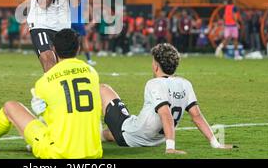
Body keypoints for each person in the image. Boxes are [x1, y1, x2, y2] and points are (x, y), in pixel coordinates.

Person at [0, 29, 103, 159]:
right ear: (78, 49)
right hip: (93, 151)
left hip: (58, 152)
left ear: (54, 49)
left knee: (10, 107)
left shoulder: (45, 81)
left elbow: (46, 117)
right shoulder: (93, 73)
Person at [100, 43, 235, 154]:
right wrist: (215, 143)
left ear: (156, 66)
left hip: (131, 135)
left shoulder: (153, 83)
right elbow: (197, 116)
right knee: (108, 134)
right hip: (156, 139)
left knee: (103, 88)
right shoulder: (185, 84)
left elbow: (165, 114)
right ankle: (100, 135)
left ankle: (86, 125)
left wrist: (170, 147)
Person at [70, 0, 96, 66]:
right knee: (83, 42)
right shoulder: (85, 3)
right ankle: (89, 60)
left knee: (72, 42)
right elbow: (93, 18)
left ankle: (71, 60)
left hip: (70, 22)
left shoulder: (70, 1)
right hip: (79, 23)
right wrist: (88, 26)